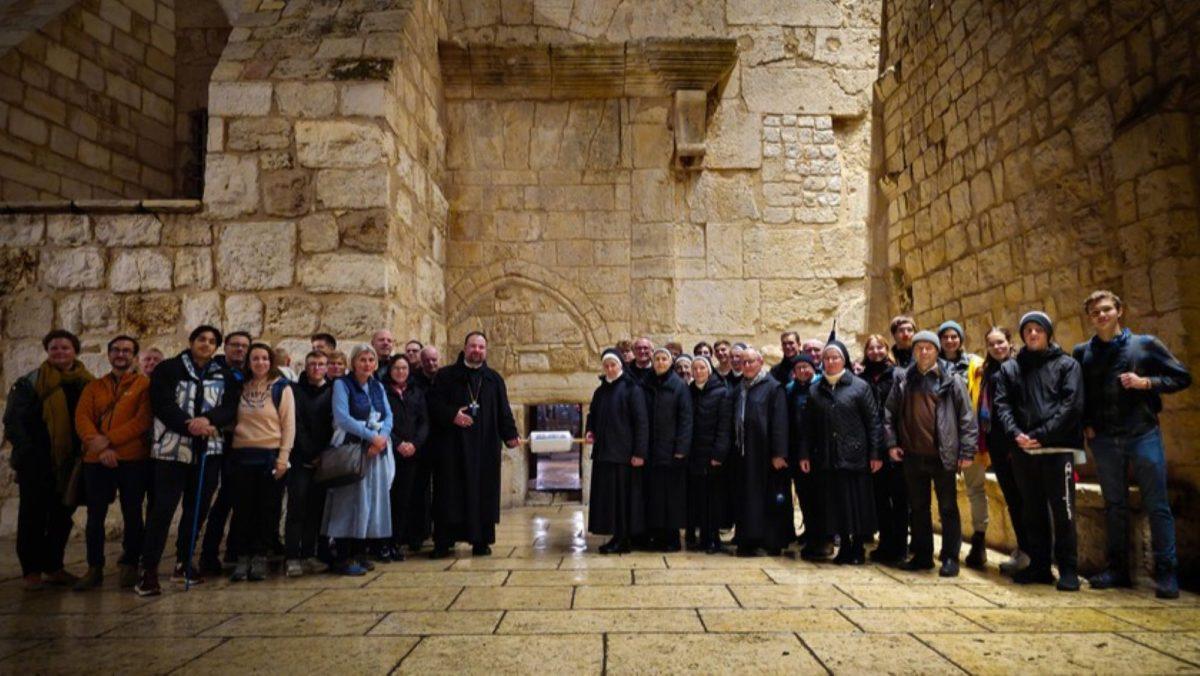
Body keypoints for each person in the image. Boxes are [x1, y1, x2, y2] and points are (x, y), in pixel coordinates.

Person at [1074, 291, 1192, 599]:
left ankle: (1166, 572)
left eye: (1106, 309)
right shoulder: (1083, 353)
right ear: (1089, 317)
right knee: (1114, 505)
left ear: (1119, 311)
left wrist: (1147, 383)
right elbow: (1080, 393)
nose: (1101, 315)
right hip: (1104, 439)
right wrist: (1086, 423)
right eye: (1095, 312)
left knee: (1157, 503)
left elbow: (1182, 377)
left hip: (1142, 434)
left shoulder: (1145, 345)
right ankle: (1118, 569)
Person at [136, 325, 240, 595]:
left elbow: (229, 407)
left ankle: (183, 561)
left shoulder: (224, 374)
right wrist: (187, 424)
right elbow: (162, 403)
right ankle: (148, 570)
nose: (206, 344)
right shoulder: (169, 369)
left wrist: (208, 420)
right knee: (162, 510)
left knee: (197, 510)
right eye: (202, 339)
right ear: (192, 342)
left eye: (211, 341)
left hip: (208, 449)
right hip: (173, 450)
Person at [994, 311, 1083, 591]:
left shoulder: (1067, 365)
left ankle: (1068, 569)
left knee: (1063, 510)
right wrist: (1016, 434)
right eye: (1028, 330)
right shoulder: (1011, 368)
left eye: (1038, 330)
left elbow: (1071, 405)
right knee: (1032, 510)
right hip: (1024, 451)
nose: (1032, 334)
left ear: (1047, 333)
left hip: (1056, 449)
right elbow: (1002, 405)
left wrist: (1041, 435)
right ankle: (1040, 565)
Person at [4, 329, 94, 590]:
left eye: (65, 348)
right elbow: (14, 422)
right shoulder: (30, 382)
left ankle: (53, 566)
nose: (60, 352)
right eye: (54, 348)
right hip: (37, 462)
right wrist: (30, 454)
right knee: (32, 516)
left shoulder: (86, 382)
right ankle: (31, 571)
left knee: (62, 515)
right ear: (47, 351)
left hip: (71, 462)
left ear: (75, 351)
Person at [884, 330, 977, 577]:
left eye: (928, 348)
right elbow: (889, 414)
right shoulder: (903, 379)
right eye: (919, 348)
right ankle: (923, 556)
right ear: (913, 351)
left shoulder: (951, 379)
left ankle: (949, 558)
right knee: (919, 508)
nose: (923, 352)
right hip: (912, 456)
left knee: (948, 508)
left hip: (942, 455)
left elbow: (967, 417)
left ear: (937, 351)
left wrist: (967, 450)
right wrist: (892, 443)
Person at [426, 332, 519, 557]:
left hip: (485, 447)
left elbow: (503, 410)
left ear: (485, 351)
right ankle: (443, 542)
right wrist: (451, 415)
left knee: (483, 493)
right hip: (452, 447)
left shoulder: (494, 379)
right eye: (473, 346)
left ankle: (481, 541)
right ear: (465, 348)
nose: (477, 350)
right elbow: (432, 404)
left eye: (481, 347)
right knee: (450, 493)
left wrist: (510, 434)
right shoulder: (446, 376)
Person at [73, 335, 152, 591]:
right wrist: (97, 443)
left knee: (132, 514)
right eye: (116, 350)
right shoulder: (94, 387)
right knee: (95, 516)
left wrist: (107, 441)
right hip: (96, 460)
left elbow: (142, 421)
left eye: (126, 351)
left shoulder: (143, 386)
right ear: (108, 355)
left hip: (130, 459)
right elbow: (82, 416)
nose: (121, 354)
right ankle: (94, 567)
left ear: (134, 356)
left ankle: (129, 563)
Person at [799, 342, 883, 565]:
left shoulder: (859, 387)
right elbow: (807, 427)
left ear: (844, 360)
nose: (831, 362)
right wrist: (805, 454)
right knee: (835, 505)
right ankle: (844, 544)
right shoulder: (815, 390)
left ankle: (857, 547)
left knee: (855, 503)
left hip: (855, 456)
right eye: (827, 358)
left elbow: (873, 423)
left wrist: (875, 454)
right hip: (827, 457)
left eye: (835, 357)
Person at [323, 344, 395, 575]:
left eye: (370, 360)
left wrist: (382, 437)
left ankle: (359, 551)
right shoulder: (342, 385)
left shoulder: (378, 386)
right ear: (354, 363)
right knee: (350, 502)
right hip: (353, 449)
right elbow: (343, 418)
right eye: (362, 359)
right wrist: (372, 436)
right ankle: (342, 556)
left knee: (370, 501)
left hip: (376, 452)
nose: (367, 364)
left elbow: (388, 415)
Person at [228, 344, 294, 582]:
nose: (260, 363)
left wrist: (283, 458)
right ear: (249, 362)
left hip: (270, 454)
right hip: (242, 454)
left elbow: (288, 425)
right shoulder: (239, 387)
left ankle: (259, 556)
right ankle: (242, 556)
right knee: (243, 510)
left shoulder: (281, 388)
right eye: (255, 358)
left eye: (265, 358)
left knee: (268, 509)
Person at [937, 320, 989, 569]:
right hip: (942, 438)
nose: (949, 341)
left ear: (961, 339)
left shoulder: (975, 365)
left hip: (970, 436)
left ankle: (979, 540)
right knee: (945, 493)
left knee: (975, 489)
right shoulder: (932, 365)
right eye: (945, 336)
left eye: (953, 336)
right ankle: (950, 547)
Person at [586, 348, 649, 554]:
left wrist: (639, 453)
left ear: (620, 365)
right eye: (606, 366)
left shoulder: (632, 389)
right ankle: (614, 534)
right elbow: (592, 415)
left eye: (613, 365)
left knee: (622, 501)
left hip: (624, 455)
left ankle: (622, 539)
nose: (610, 369)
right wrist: (590, 430)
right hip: (604, 454)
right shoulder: (600, 391)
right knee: (609, 501)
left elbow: (641, 422)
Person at [978, 327, 1029, 576]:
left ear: (1010, 342)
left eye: (1001, 342)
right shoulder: (989, 371)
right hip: (997, 442)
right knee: (1012, 498)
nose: (997, 347)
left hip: (1013, 441)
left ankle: (1030, 552)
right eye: (992, 344)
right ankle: (1024, 549)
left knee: (1023, 498)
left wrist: (1013, 440)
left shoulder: (1018, 367)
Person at [729, 348, 789, 556]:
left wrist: (779, 453)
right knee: (746, 498)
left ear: (760, 362)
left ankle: (771, 541)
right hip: (745, 454)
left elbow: (780, 422)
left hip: (766, 454)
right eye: (743, 362)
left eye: (750, 362)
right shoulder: (739, 389)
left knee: (768, 497)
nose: (746, 366)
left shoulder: (773, 388)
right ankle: (748, 538)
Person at [285, 350, 334, 576]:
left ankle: (309, 553)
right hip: (300, 457)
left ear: (326, 367)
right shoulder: (293, 390)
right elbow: (295, 423)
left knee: (316, 509)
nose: (316, 368)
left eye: (321, 364)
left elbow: (333, 424)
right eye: (312, 364)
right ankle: (292, 556)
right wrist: (309, 453)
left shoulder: (332, 390)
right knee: (297, 508)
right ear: (305, 366)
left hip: (323, 459)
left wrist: (323, 453)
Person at [859, 334, 907, 564]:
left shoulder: (898, 374)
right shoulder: (862, 376)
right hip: (872, 445)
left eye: (880, 347)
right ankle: (885, 543)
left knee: (898, 498)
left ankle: (899, 546)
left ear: (886, 349)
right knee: (878, 498)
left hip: (893, 443)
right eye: (871, 348)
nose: (876, 351)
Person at [642, 347, 693, 552]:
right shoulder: (647, 384)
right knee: (654, 496)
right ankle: (656, 535)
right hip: (652, 451)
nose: (661, 362)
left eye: (664, 359)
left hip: (671, 451)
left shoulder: (679, 387)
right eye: (658, 359)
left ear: (670, 362)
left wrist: (681, 448)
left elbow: (686, 420)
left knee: (672, 497)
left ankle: (672, 538)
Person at [383, 355, 429, 562]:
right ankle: (383, 543)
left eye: (404, 368)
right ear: (390, 370)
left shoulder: (416, 393)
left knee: (405, 499)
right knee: (388, 499)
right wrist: (397, 442)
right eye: (396, 368)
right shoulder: (382, 391)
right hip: (389, 451)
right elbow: (381, 420)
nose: (401, 372)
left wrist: (415, 444)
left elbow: (424, 422)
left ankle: (397, 542)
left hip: (412, 452)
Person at [685, 356, 731, 554]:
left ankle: (713, 538)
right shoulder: (689, 392)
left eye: (702, 367)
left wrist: (719, 453)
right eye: (695, 368)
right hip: (694, 454)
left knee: (714, 498)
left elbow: (724, 426)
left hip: (712, 453)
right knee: (698, 497)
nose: (698, 371)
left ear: (709, 370)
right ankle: (702, 536)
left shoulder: (721, 393)